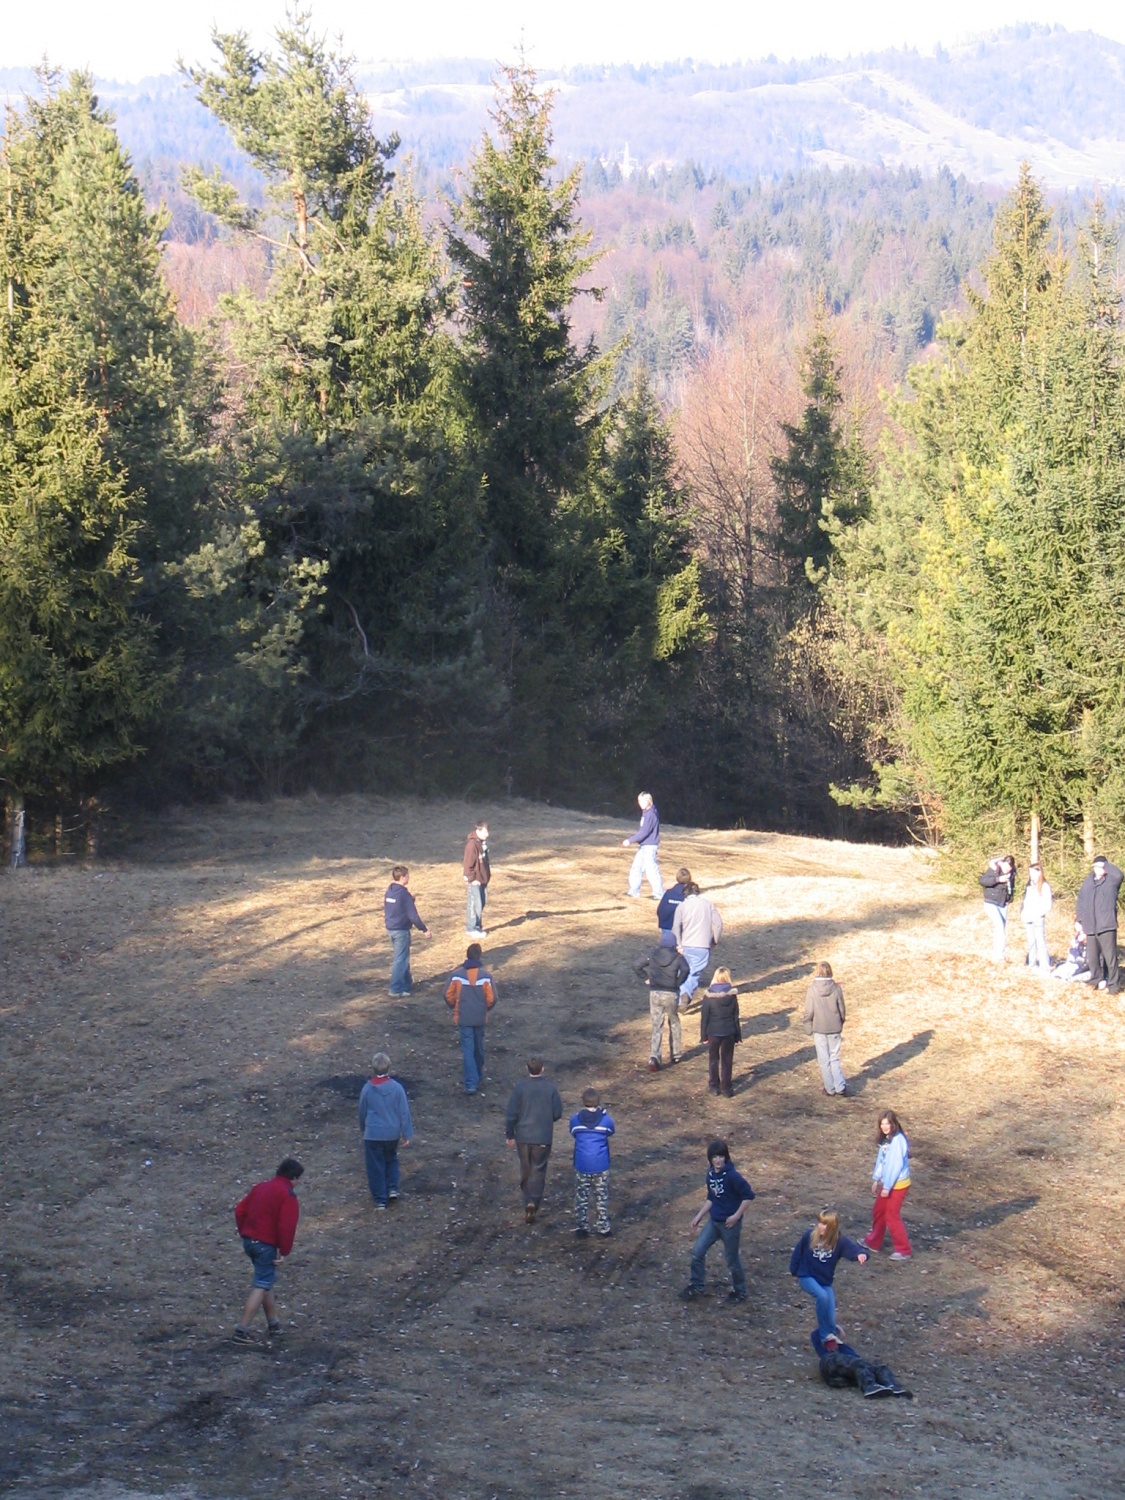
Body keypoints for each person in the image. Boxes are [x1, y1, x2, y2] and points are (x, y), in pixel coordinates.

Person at [232, 1157, 303, 1344]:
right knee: (261, 1284)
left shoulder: (260, 1187)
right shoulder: (287, 1195)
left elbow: (239, 1210)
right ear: (294, 1178)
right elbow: (286, 1226)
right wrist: (284, 1251)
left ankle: (273, 1324)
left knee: (266, 1280)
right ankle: (241, 1331)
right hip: (266, 1245)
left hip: (250, 1242)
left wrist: (245, 1233)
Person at [680, 1140, 755, 1303]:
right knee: (697, 1251)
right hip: (714, 1221)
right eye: (715, 1157)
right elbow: (712, 1197)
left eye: (721, 1156)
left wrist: (736, 1216)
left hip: (729, 1225)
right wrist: (699, 1216)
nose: (718, 1160)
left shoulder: (732, 1176)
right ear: (710, 1159)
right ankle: (696, 1285)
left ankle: (740, 1291)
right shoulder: (711, 1174)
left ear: (726, 1157)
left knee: (732, 1260)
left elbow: (748, 1196)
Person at [789, 1209, 868, 1351]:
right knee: (822, 1297)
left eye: (825, 1225)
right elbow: (797, 1253)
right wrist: (794, 1271)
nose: (821, 1227)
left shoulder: (839, 1242)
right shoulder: (809, 1236)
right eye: (819, 1223)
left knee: (830, 1312)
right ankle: (825, 1335)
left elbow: (854, 1250)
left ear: (832, 1227)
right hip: (806, 1275)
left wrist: (861, 1255)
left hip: (824, 1280)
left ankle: (832, 1331)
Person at [505, 1058, 563, 1223]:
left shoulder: (520, 1088)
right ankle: (533, 1201)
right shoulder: (550, 1088)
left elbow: (511, 1114)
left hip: (523, 1137)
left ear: (527, 1068)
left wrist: (510, 1135)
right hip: (543, 1137)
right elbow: (557, 1112)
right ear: (543, 1069)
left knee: (525, 1167)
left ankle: (527, 1198)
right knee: (538, 1169)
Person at [357, 1051, 413, 1209]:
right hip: (392, 1133)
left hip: (373, 1134)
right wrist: (406, 1133)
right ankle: (392, 1188)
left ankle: (380, 1199)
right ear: (389, 1067)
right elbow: (404, 1112)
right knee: (391, 1159)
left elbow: (362, 1111)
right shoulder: (397, 1088)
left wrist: (363, 1127)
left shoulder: (367, 1089)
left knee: (375, 1165)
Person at [634, 930, 690, 1071]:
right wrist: (678, 983)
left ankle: (654, 1056)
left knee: (657, 1025)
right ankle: (676, 1054)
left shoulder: (652, 954)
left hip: (655, 993)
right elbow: (686, 970)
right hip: (671, 993)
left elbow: (636, 965)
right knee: (674, 1022)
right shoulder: (677, 957)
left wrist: (646, 978)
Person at [444, 942, 496, 1095]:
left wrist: (455, 1007)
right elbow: (492, 998)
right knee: (478, 1047)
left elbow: (447, 994)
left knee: (468, 1049)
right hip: (480, 1018)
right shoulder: (486, 976)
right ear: (479, 956)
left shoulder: (457, 975)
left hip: (464, 1018)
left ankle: (471, 1083)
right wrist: (484, 1009)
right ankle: (478, 1075)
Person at [862, 1110, 912, 1260]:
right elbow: (882, 1161)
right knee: (879, 1210)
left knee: (891, 1215)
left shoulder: (897, 1141)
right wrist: (876, 1179)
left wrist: (887, 1187)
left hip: (898, 1184)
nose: (884, 1127)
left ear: (893, 1124)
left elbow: (894, 1166)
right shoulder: (886, 1140)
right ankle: (874, 1242)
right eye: (882, 1123)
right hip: (888, 1184)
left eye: (887, 1123)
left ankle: (903, 1250)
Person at [569, 1087, 615, 1238]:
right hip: (601, 1164)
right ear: (598, 1102)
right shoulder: (605, 1120)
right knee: (601, 1195)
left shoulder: (575, 1120)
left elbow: (573, 1133)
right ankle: (603, 1227)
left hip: (582, 1164)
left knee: (582, 1196)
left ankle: (582, 1227)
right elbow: (610, 1132)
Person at [1075, 854, 1123, 993]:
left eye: (1101, 867)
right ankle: (1095, 979)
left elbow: (1119, 874)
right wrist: (1079, 920)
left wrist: (1105, 864)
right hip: (1090, 925)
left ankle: (1113, 985)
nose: (1098, 869)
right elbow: (1081, 902)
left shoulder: (1111, 882)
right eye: (1095, 867)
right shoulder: (1088, 882)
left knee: (1110, 958)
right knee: (1093, 957)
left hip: (1106, 925)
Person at [383, 865, 433, 997]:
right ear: (403, 877)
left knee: (402, 957)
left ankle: (407, 984)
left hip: (391, 929)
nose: (409, 878)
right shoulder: (404, 895)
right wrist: (424, 929)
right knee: (400, 959)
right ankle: (395, 989)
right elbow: (413, 916)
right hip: (401, 930)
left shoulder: (390, 891)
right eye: (407, 875)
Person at [672, 882, 723, 1008]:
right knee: (694, 973)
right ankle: (685, 994)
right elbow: (718, 924)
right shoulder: (708, 905)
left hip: (686, 945)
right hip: (702, 945)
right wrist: (714, 940)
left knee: (684, 971)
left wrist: (678, 944)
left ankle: (683, 995)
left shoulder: (681, 906)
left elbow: (675, 927)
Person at [803, 960, 847, 1097]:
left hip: (819, 1028)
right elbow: (842, 1008)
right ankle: (840, 1085)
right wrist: (841, 1021)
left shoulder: (812, 989)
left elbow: (808, 1011)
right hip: (834, 1027)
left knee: (824, 1060)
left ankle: (829, 1088)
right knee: (835, 1057)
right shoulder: (837, 988)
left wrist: (807, 1026)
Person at [700, 967, 741, 1097]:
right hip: (728, 1032)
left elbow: (704, 1018)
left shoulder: (708, 997)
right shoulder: (732, 996)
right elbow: (735, 1017)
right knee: (727, 1061)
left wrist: (703, 1036)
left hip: (713, 1032)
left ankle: (713, 1086)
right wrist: (738, 1035)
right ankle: (726, 1088)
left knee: (713, 1059)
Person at [622, 792, 664, 899]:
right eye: (639, 801)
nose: (640, 803)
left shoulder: (650, 814)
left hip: (649, 847)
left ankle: (658, 894)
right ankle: (634, 891)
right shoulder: (646, 813)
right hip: (644, 846)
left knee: (651, 870)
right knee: (636, 867)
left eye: (642, 801)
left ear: (649, 801)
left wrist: (630, 840)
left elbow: (644, 832)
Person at [978, 854, 1015, 965]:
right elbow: (983, 881)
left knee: (1001, 929)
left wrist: (1010, 897)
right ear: (1002, 863)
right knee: (1000, 929)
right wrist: (998, 879)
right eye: (1006, 866)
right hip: (991, 903)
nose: (1008, 869)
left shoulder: (1012, 874)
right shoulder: (995, 870)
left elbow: (1011, 888)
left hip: (1003, 904)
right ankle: (999, 956)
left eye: (1010, 867)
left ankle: (997, 953)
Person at [1021, 862, 1053, 974]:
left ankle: (1045, 965)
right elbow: (1025, 901)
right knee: (1031, 942)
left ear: (1039, 873)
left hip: (1038, 918)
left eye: (1033, 873)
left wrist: (1038, 914)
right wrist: (1023, 913)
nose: (1031, 875)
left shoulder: (1044, 886)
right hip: (1028, 918)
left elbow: (1047, 905)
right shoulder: (1029, 886)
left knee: (1040, 941)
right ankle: (1032, 963)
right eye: (1030, 873)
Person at [463, 820, 491, 938]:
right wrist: (471, 878)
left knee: (481, 903)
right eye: (485, 831)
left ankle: (478, 926)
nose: (487, 834)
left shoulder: (482, 843)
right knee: (475, 903)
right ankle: (471, 928)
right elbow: (468, 863)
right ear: (478, 831)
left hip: (483, 880)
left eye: (488, 831)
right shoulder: (472, 845)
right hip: (475, 880)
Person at [656, 867, 692, 933]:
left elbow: (660, 910)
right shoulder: (690, 896)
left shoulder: (669, 893)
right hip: (684, 930)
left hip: (667, 928)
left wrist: (663, 924)